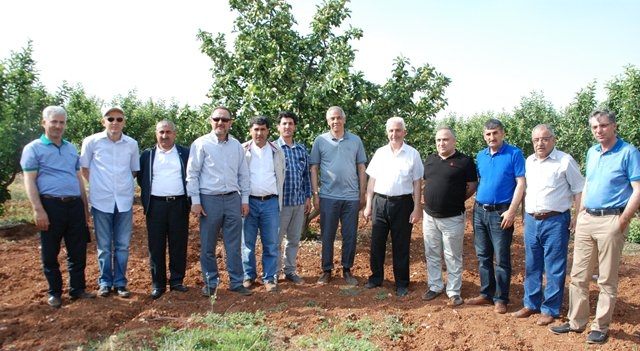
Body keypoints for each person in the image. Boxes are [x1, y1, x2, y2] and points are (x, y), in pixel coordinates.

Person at [550, 110, 640, 344]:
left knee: (606, 279)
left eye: (603, 125)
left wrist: (623, 220)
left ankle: (600, 326)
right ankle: (576, 322)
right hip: (587, 219)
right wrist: (579, 213)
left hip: (612, 220)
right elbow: (588, 182)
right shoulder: (592, 152)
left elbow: (638, 190)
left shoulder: (628, 153)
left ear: (614, 126)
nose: (598, 130)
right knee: (579, 275)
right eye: (594, 127)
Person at [20, 106, 96, 308]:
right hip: (50, 204)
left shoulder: (71, 148)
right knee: (50, 251)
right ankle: (54, 292)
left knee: (77, 249)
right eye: (54, 121)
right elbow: (29, 181)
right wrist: (38, 209)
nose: (58, 126)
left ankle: (77, 289)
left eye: (62, 122)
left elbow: (78, 178)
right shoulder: (33, 148)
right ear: (44, 123)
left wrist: (84, 206)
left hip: (74, 206)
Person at [511, 124, 583, 325]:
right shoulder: (530, 161)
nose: (540, 143)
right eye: (536, 140)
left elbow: (579, 190)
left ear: (553, 139)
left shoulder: (565, 161)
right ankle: (531, 303)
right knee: (532, 264)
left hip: (555, 221)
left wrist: (578, 216)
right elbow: (526, 189)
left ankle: (550, 309)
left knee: (554, 266)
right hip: (532, 220)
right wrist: (525, 213)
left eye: (544, 139)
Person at [186, 106, 252, 297]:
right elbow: (192, 174)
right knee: (208, 245)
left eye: (224, 120)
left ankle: (236, 282)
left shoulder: (236, 146)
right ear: (210, 120)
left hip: (232, 198)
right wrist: (196, 201)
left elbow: (243, 174)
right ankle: (210, 282)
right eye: (217, 119)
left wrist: (244, 199)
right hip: (209, 200)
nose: (220, 123)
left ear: (230, 123)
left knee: (233, 245)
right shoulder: (201, 144)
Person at [80, 106, 140, 298]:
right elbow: (85, 169)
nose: (115, 122)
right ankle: (105, 282)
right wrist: (100, 185)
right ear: (103, 121)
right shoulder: (91, 142)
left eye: (119, 119)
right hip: (101, 201)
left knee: (122, 245)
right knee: (104, 246)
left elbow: (133, 171)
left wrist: (120, 187)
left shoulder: (131, 144)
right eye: (110, 118)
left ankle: (121, 283)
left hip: (123, 201)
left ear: (124, 122)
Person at [467, 118, 525, 314]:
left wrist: (512, 211)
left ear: (503, 134)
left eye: (495, 133)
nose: (492, 137)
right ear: (484, 136)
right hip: (480, 211)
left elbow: (521, 184)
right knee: (483, 255)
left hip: (501, 212)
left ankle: (501, 298)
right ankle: (486, 294)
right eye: (488, 134)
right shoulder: (481, 156)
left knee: (501, 258)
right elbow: (479, 181)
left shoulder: (514, 154)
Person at [362, 117, 423, 297]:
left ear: (404, 132)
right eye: (391, 131)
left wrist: (417, 207)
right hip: (380, 202)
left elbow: (418, 182)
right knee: (377, 243)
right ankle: (376, 278)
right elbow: (372, 180)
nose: (394, 134)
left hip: (403, 204)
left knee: (401, 244)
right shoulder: (380, 153)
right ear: (387, 132)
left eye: (398, 130)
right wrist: (368, 205)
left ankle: (402, 283)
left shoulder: (413, 154)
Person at [310, 106, 367, 286]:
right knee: (327, 235)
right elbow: (314, 168)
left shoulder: (355, 140)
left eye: (338, 118)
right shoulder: (320, 141)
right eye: (332, 119)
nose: (336, 121)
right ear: (328, 121)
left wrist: (362, 193)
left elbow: (361, 168)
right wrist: (315, 194)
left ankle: (347, 270)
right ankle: (326, 270)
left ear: (344, 119)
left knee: (350, 235)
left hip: (351, 197)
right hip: (328, 196)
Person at [421, 127, 478, 306]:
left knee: (452, 255)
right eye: (438, 140)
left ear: (454, 141)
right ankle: (435, 286)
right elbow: (425, 182)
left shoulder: (465, 162)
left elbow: (472, 185)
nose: (441, 143)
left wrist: (455, 198)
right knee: (432, 253)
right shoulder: (430, 160)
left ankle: (453, 290)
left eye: (445, 140)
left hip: (453, 218)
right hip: (430, 216)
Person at [137, 120, 190, 299]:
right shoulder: (147, 155)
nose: (165, 136)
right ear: (156, 134)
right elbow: (142, 179)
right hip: (156, 206)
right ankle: (158, 285)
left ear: (174, 134)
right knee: (156, 246)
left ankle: (177, 281)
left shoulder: (184, 153)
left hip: (179, 204)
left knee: (178, 244)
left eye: (168, 132)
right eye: (161, 132)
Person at [241, 116, 285, 293]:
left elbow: (281, 174)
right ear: (251, 130)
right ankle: (248, 275)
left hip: (270, 202)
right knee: (247, 243)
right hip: (248, 202)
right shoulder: (243, 150)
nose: (259, 133)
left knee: (271, 242)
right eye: (256, 129)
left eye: (263, 129)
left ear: (268, 131)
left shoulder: (276, 150)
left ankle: (269, 277)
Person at [275, 111, 312, 284]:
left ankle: (289, 270)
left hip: (298, 202)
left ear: (294, 127)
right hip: (280, 204)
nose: (287, 127)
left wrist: (308, 197)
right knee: (275, 240)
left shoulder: (301, 149)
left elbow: (306, 175)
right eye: (284, 123)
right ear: (278, 127)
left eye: (290, 123)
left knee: (293, 240)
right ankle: (273, 273)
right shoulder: (273, 148)